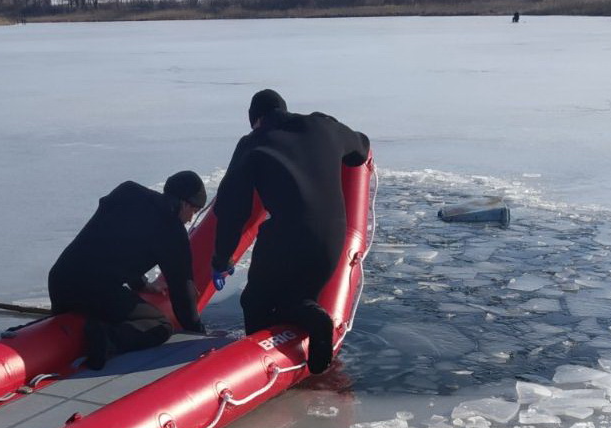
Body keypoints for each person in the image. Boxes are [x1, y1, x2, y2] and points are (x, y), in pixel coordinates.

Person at [211, 89, 370, 375]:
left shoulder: (253, 143)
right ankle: (311, 333)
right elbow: (360, 149)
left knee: (254, 301)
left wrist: (221, 259)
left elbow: (232, 209)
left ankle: (266, 369)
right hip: (332, 239)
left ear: (255, 120)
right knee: (296, 293)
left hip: (287, 240)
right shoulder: (324, 126)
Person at [48, 171, 207, 369]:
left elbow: (117, 240)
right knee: (160, 325)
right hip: (92, 292)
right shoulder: (172, 233)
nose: (191, 218)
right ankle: (108, 339)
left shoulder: (128, 191)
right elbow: (181, 291)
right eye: (194, 210)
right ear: (184, 203)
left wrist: (140, 284)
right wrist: (197, 331)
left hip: (59, 281)